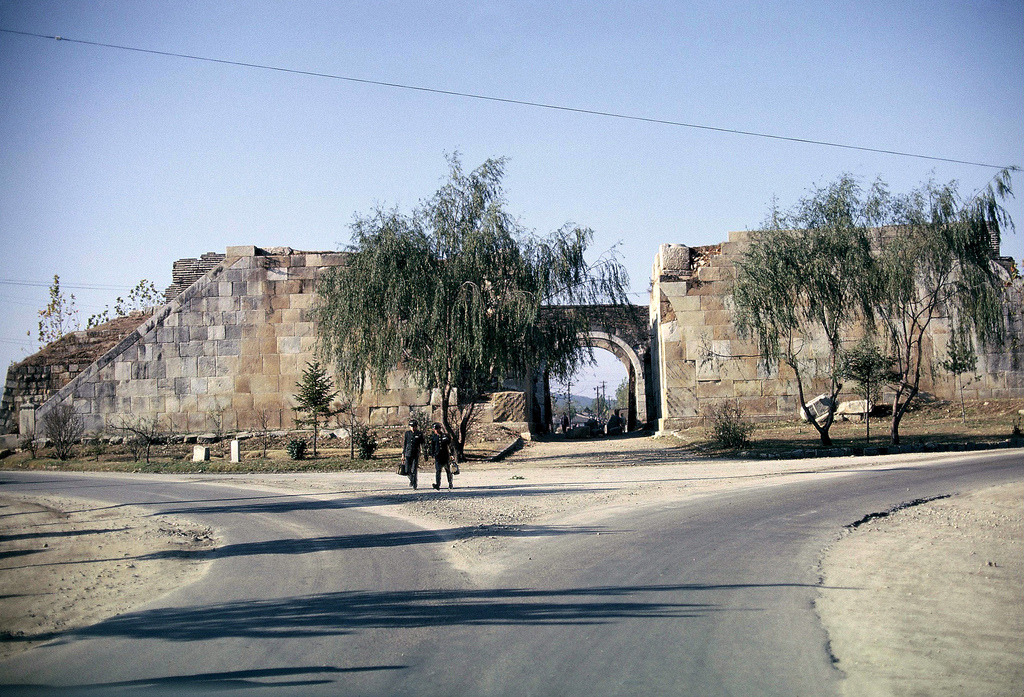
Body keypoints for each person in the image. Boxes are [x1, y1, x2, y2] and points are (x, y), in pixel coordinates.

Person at [428, 422, 454, 490]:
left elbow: (450, 446)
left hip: (445, 456)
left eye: (437, 429)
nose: (436, 430)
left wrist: (451, 454)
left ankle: (450, 483)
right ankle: (438, 484)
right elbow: (432, 447)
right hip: (438, 457)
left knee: (448, 471)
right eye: (435, 429)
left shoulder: (445, 436)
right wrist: (432, 454)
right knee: (438, 471)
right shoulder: (433, 437)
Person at [401, 419, 424, 490]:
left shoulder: (419, 434)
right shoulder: (407, 433)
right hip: (408, 453)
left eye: (414, 426)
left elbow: (422, 444)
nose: (413, 428)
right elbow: (405, 444)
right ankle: (412, 479)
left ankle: (414, 484)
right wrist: (403, 454)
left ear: (416, 427)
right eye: (411, 426)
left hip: (415, 453)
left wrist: (424, 453)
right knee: (407, 470)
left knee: (414, 470)